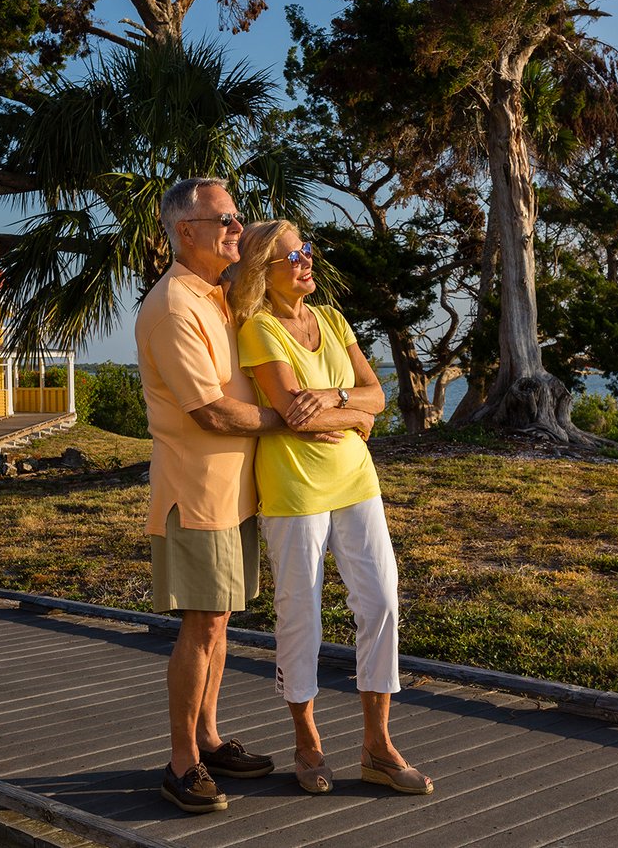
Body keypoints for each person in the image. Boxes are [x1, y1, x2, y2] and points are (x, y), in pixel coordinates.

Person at [135, 179, 367, 814]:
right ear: (185, 232)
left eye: (237, 218)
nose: (237, 228)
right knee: (201, 624)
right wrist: (292, 418)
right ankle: (182, 763)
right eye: (225, 220)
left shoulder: (219, 297)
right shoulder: (174, 307)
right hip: (197, 492)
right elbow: (209, 411)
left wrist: (317, 407)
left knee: (221, 621)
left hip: (236, 493)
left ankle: (208, 738)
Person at [226, 219, 433, 797]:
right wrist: (356, 416)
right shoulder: (261, 329)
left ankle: (377, 746)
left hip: (356, 483)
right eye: (291, 257)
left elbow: (378, 395)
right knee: (302, 616)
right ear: (263, 273)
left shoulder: (333, 319)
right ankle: (307, 741)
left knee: (382, 602)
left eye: (306, 252)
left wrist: (340, 400)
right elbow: (294, 412)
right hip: (295, 492)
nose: (304, 262)